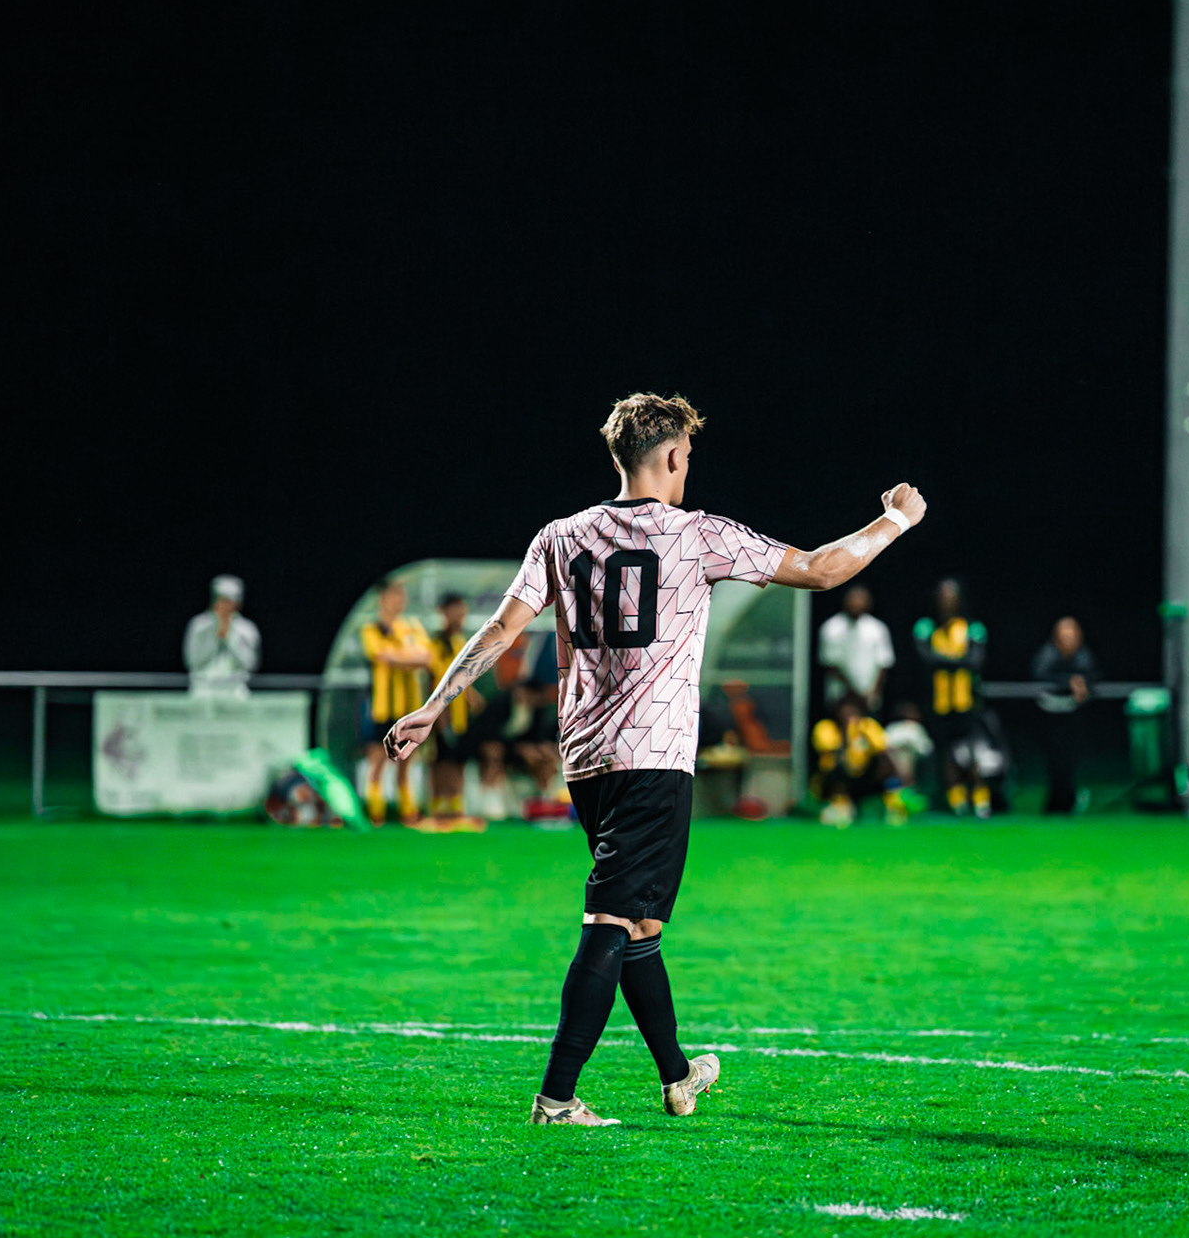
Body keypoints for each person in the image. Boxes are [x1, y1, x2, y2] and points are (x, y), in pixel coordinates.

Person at [383, 392, 926, 1126]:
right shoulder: (697, 535)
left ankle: (677, 1076)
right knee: (611, 918)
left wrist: (435, 703)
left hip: (586, 762)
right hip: (654, 757)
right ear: (672, 457)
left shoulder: (561, 535)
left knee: (639, 927)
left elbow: (502, 629)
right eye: (687, 458)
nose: (688, 469)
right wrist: (896, 519)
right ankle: (558, 1097)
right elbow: (826, 569)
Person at [913, 579, 997, 816]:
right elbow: (925, 660)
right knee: (946, 753)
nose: (946, 601)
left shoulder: (973, 628)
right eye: (942, 596)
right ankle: (955, 800)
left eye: (951, 596)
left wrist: (944, 661)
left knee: (975, 751)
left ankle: (980, 799)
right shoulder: (926, 627)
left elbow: (976, 661)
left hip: (967, 702)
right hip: (938, 702)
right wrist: (958, 661)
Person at [359, 581, 432, 823]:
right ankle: (375, 808)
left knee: (405, 759)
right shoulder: (372, 628)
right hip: (381, 706)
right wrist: (408, 658)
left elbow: (426, 657)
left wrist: (398, 657)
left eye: (401, 595)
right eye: (393, 595)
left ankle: (406, 809)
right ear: (382, 598)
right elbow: (380, 655)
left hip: (408, 706)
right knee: (378, 758)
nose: (398, 600)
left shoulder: (411, 626)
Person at [426, 592, 486, 820]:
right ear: (444, 612)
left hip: (461, 716)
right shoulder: (435, 644)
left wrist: (473, 699)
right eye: (456, 610)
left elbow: (464, 679)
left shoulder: (461, 643)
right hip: (441, 713)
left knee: (458, 758)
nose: (460, 616)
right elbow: (435, 679)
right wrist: (439, 714)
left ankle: (456, 803)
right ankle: (439, 804)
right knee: (441, 759)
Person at [1031, 617, 1100, 814]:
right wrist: (1069, 681)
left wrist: (1081, 682)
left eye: (1072, 635)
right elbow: (1040, 675)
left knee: (1071, 759)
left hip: (1073, 715)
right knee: (1053, 761)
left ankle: (1070, 800)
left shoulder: (1083, 656)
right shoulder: (1047, 654)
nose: (1069, 640)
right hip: (1049, 715)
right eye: (1064, 635)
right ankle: (1053, 803)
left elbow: (1092, 675)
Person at [810, 695, 892, 828]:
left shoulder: (867, 726)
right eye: (844, 712)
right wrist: (846, 734)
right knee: (838, 769)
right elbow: (831, 754)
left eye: (852, 712)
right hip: (834, 778)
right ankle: (840, 806)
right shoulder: (826, 727)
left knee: (884, 764)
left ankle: (892, 805)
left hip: (864, 776)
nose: (848, 716)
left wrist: (862, 735)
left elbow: (882, 749)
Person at [818, 585, 895, 713]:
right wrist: (855, 693)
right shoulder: (831, 627)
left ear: (869, 603)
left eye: (861, 599)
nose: (856, 603)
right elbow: (830, 664)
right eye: (853, 599)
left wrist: (872, 693)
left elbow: (884, 663)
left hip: (869, 699)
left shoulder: (878, 628)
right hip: (840, 698)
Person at [182, 574, 261, 699]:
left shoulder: (247, 629)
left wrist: (230, 639)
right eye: (222, 600)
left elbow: (250, 665)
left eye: (230, 601)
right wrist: (216, 634)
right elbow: (193, 661)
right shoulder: (198, 626)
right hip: (202, 692)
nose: (225, 606)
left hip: (235, 693)